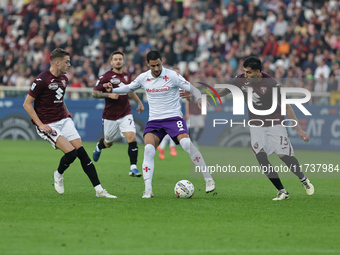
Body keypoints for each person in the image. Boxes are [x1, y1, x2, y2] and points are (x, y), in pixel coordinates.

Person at [103, 50, 215, 198]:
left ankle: (208, 179)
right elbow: (130, 87)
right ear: (148, 64)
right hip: (155, 120)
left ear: (162, 61)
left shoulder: (172, 75)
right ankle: (148, 190)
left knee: (187, 144)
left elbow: (191, 88)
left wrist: (199, 97)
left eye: (158, 65)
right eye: (153, 66)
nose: (156, 69)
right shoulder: (144, 77)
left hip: (173, 118)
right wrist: (114, 89)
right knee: (149, 149)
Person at [23, 48, 116, 198]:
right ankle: (58, 174)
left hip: (64, 120)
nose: (69, 65)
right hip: (48, 124)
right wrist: (40, 125)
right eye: (67, 62)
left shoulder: (64, 79)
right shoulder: (41, 80)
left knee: (82, 152)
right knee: (71, 153)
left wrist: (66, 113)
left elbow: (60, 98)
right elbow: (27, 104)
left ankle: (99, 190)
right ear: (57, 62)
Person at [219, 56, 315, 200]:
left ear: (258, 72)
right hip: (256, 125)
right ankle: (282, 191)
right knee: (261, 157)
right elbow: (223, 91)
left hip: (275, 123)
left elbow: (287, 106)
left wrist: (299, 129)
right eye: (244, 72)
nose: (245, 75)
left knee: (284, 157)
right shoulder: (240, 80)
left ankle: (303, 179)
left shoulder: (272, 84)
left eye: (249, 72)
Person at [92, 51, 144, 177]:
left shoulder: (126, 76)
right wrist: (108, 94)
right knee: (108, 143)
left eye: (120, 59)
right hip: (110, 116)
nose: (118, 61)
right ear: (111, 62)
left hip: (125, 113)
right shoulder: (106, 77)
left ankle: (133, 167)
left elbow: (130, 90)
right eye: (115, 59)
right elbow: (94, 93)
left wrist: (139, 102)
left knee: (132, 137)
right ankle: (99, 146)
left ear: (124, 61)